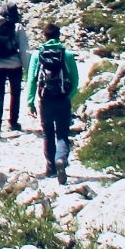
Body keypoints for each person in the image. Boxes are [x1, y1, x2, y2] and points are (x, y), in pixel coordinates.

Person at [24, 19, 82, 182]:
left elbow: (32, 80)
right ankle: (61, 159)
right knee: (62, 134)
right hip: (63, 99)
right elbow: (75, 80)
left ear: (44, 36)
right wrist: (68, 96)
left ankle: (50, 168)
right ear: (58, 36)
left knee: (47, 133)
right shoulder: (67, 55)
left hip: (45, 100)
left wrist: (30, 101)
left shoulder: (37, 55)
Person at [0, 3, 26, 137]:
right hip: (15, 65)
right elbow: (23, 50)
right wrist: (25, 66)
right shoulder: (18, 26)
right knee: (15, 93)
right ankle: (13, 122)